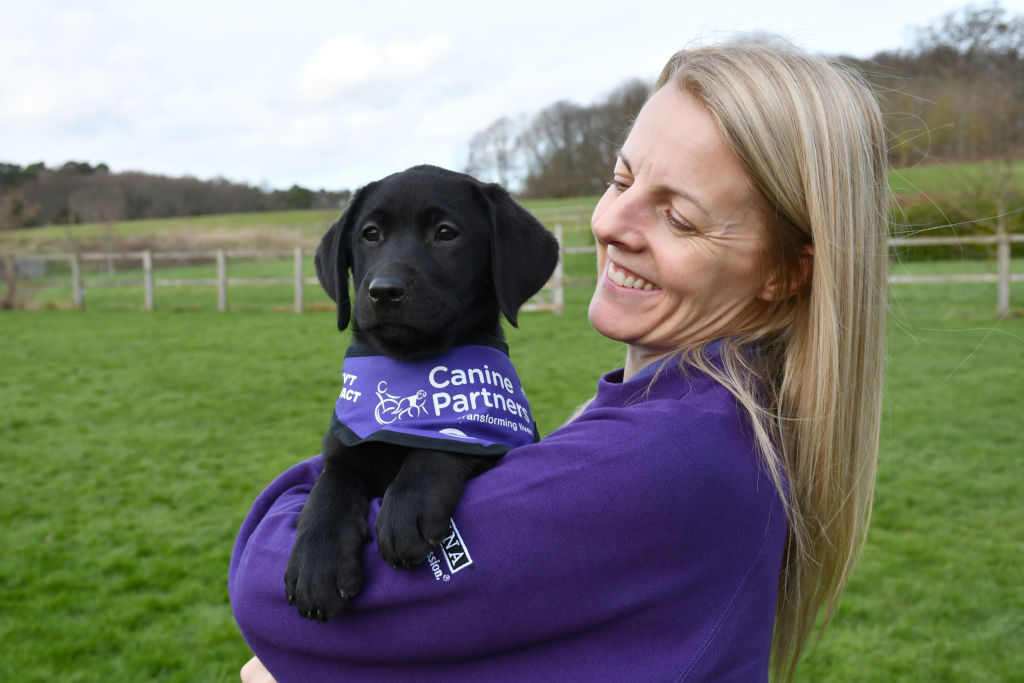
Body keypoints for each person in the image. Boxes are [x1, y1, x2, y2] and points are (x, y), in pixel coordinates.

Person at [230, 39, 888, 682]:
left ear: (782, 272)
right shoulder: (711, 417)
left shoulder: (663, 457)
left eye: (680, 217)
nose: (612, 224)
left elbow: (271, 594)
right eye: (621, 179)